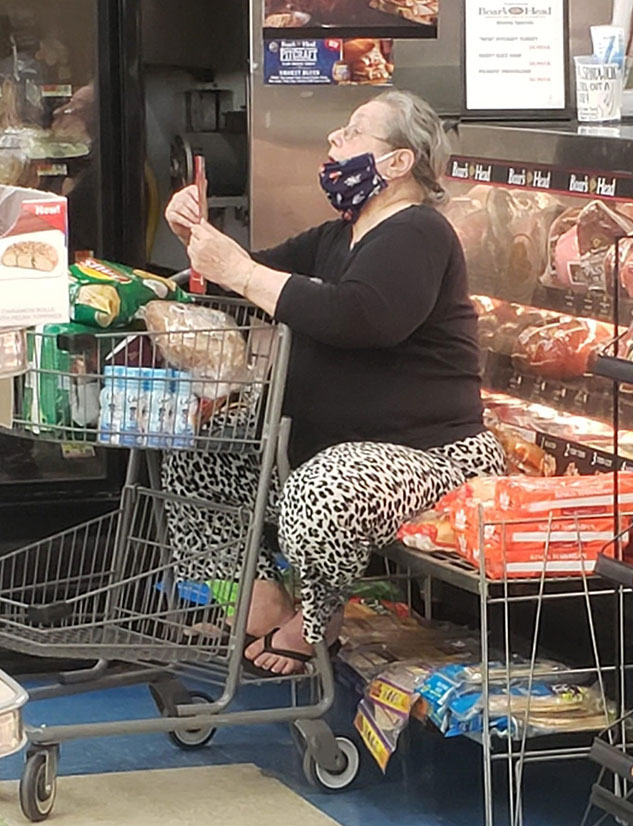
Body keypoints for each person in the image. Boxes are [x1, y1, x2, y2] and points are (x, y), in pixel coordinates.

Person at [163, 89, 506, 676]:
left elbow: (361, 316)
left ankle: (317, 621)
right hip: (322, 442)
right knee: (199, 451)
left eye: (351, 133)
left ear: (398, 162)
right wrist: (196, 245)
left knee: (319, 494)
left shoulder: (419, 232)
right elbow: (246, 281)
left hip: (431, 455)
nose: (333, 143)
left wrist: (240, 270)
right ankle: (261, 598)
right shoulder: (333, 237)